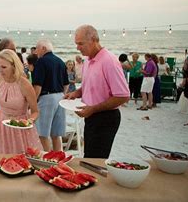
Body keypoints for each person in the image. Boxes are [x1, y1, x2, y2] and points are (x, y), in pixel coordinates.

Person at [65, 25, 129, 158]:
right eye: (76, 44)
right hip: (91, 116)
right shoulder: (87, 61)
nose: (77, 47)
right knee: (89, 157)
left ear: (94, 40)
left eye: (80, 43)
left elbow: (123, 96)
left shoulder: (109, 61)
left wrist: (93, 109)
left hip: (106, 118)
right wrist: (76, 93)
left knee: (95, 161)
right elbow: (89, 85)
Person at [0, 49, 43, 154]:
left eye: (4, 67)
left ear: (14, 66)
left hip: (20, 127)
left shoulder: (25, 84)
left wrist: (29, 121)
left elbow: (35, 111)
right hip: (0, 124)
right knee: (0, 158)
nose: (0, 70)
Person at [32, 39, 69, 152]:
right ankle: (59, 158)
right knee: (56, 134)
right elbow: (66, 84)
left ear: (43, 48)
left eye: (37, 48)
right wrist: (62, 95)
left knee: (43, 134)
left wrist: (32, 103)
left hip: (47, 98)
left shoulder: (41, 61)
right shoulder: (60, 61)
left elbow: (38, 86)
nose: (35, 52)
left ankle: (49, 159)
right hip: (60, 96)